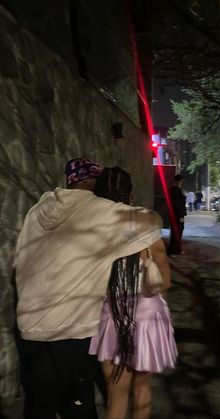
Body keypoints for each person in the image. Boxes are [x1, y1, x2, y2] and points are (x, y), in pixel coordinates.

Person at [14, 158, 164, 419]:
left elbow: (19, 258)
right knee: (78, 404)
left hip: (29, 325)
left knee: (39, 405)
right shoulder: (104, 211)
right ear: (92, 181)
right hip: (71, 328)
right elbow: (151, 222)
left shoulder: (38, 208)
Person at [89, 167, 178, 419]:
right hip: (148, 316)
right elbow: (165, 282)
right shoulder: (146, 227)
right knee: (142, 392)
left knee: (115, 398)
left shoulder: (94, 230)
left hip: (112, 315)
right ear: (130, 191)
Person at [167, 174, 186, 257]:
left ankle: (176, 249)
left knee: (176, 232)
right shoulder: (176, 191)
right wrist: (181, 216)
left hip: (174, 214)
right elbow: (178, 205)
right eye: (182, 181)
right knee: (177, 232)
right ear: (179, 181)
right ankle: (173, 251)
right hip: (177, 215)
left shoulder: (173, 190)